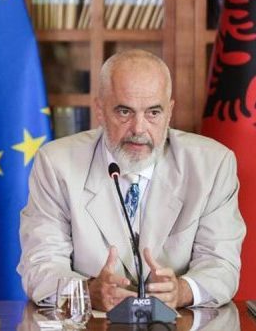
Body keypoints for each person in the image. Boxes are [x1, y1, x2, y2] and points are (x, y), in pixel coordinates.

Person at [18, 49, 245, 311]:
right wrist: (86, 292)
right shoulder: (57, 164)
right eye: (124, 112)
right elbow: (40, 265)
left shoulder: (212, 165)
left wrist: (182, 291)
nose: (139, 128)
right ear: (100, 110)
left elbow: (222, 265)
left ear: (169, 112)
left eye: (153, 113)